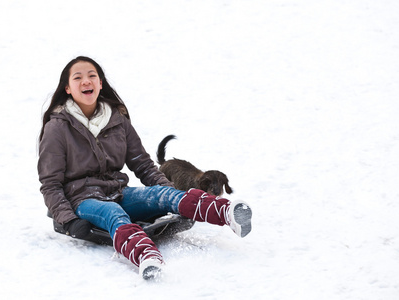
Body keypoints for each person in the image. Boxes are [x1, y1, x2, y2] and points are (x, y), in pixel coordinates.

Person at [38, 56, 252, 280]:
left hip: (117, 192)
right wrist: (69, 220)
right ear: (68, 88)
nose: (86, 81)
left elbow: (142, 163)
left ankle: (226, 212)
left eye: (92, 76)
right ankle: (146, 257)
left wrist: (173, 195)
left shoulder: (116, 120)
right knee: (113, 213)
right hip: (82, 199)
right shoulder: (58, 128)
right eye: (78, 77)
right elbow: (50, 183)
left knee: (159, 194)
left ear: (100, 83)